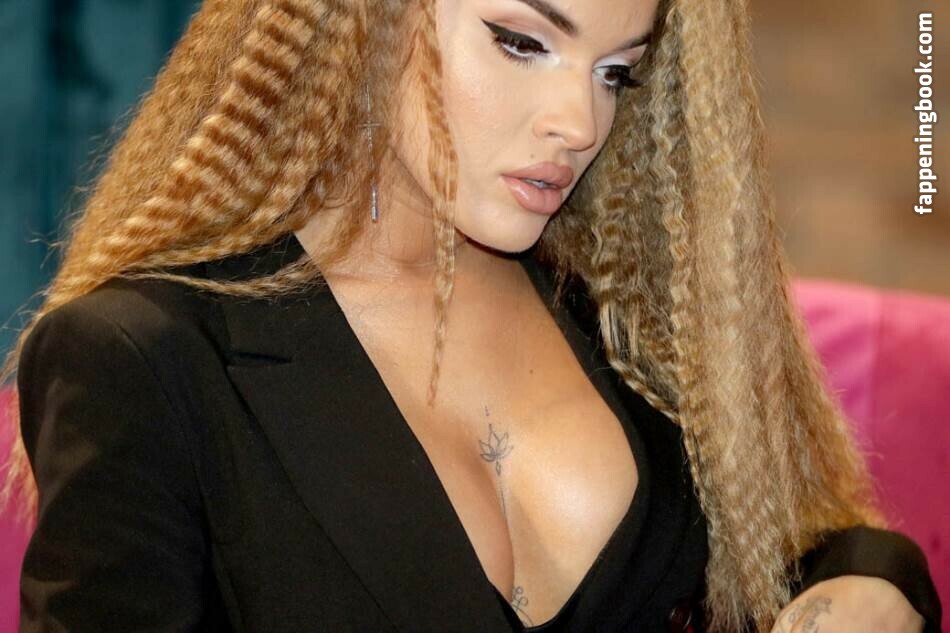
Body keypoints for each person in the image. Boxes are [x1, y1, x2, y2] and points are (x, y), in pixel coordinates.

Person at [0, 0, 941, 631]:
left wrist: (873, 572)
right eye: (521, 41)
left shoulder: (618, 320)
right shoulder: (142, 357)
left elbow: (776, 551)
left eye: (616, 72)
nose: (579, 121)